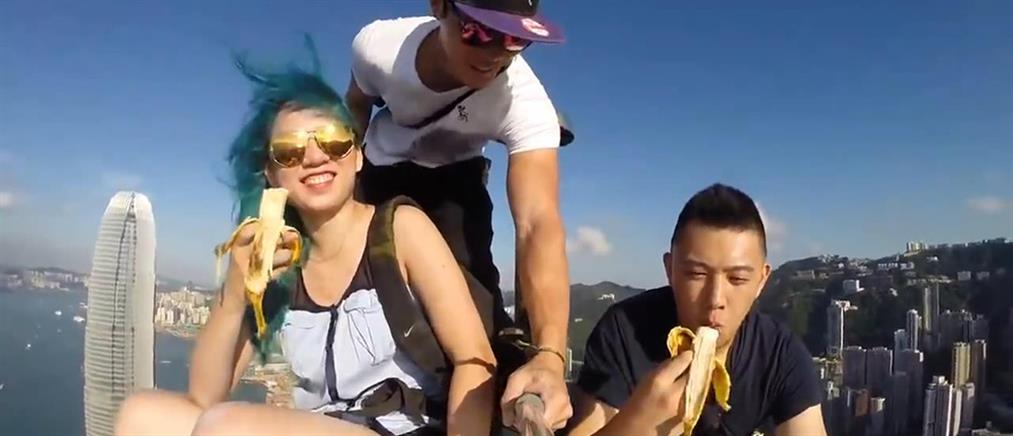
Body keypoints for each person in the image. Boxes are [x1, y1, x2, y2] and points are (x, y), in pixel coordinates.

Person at [114, 51, 497, 436]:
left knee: (228, 427)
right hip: (327, 425)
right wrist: (235, 292)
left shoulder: (399, 229)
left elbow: (475, 359)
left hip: (405, 428)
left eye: (334, 141)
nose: (314, 157)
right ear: (271, 174)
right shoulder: (279, 262)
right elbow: (205, 396)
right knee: (141, 414)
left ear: (358, 156)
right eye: (289, 150)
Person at [344, 0, 572, 429]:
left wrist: (550, 355)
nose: (495, 54)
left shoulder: (524, 102)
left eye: (515, 39)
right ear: (439, 7)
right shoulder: (379, 47)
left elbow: (537, 223)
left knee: (477, 323)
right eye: (479, 31)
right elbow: (356, 105)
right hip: (377, 168)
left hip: (455, 184)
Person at [566, 184, 828, 436]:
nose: (715, 298)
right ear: (670, 270)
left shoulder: (780, 355)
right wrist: (636, 425)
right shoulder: (623, 332)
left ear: (761, 280)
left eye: (737, 279)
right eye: (696, 274)